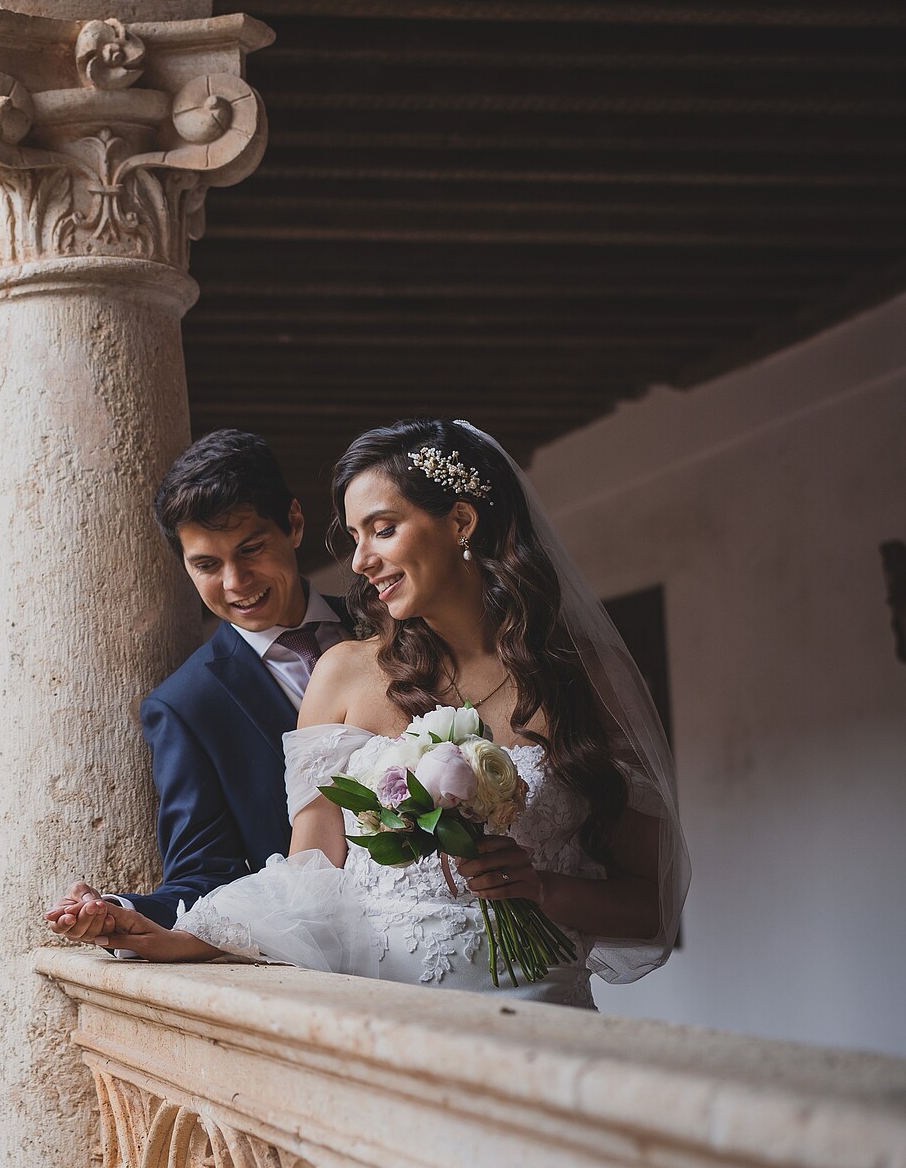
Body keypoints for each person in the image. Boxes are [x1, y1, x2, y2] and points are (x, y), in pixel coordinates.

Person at [49, 420, 688, 1007]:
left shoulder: (588, 679)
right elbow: (307, 881)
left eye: (382, 530)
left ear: (462, 521)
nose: (359, 562)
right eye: (354, 538)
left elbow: (647, 907)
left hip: (540, 1017)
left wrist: (544, 889)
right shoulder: (346, 673)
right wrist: (161, 929)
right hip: (383, 1019)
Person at [48, 430, 352, 944]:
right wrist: (118, 909)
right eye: (207, 565)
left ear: (294, 524)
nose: (235, 582)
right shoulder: (186, 706)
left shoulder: (390, 626)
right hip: (328, 952)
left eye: (251, 549)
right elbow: (203, 874)